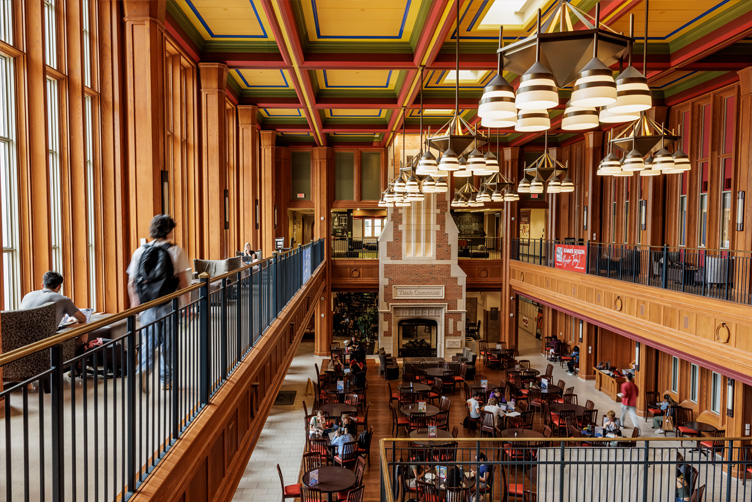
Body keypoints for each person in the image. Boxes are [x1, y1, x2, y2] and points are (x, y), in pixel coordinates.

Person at [127, 215, 190, 392]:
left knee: (149, 342)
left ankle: (144, 369)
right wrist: (187, 305)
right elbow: (183, 281)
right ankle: (166, 380)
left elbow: (131, 282)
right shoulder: (175, 251)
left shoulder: (140, 251)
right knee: (168, 343)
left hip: (147, 305)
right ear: (169, 231)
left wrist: (136, 306)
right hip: (168, 303)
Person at [20, 271, 87, 327]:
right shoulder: (63, 300)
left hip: (23, 339)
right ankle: (82, 343)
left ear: (42, 285)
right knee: (84, 324)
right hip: (48, 338)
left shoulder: (27, 296)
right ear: (59, 286)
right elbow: (82, 318)